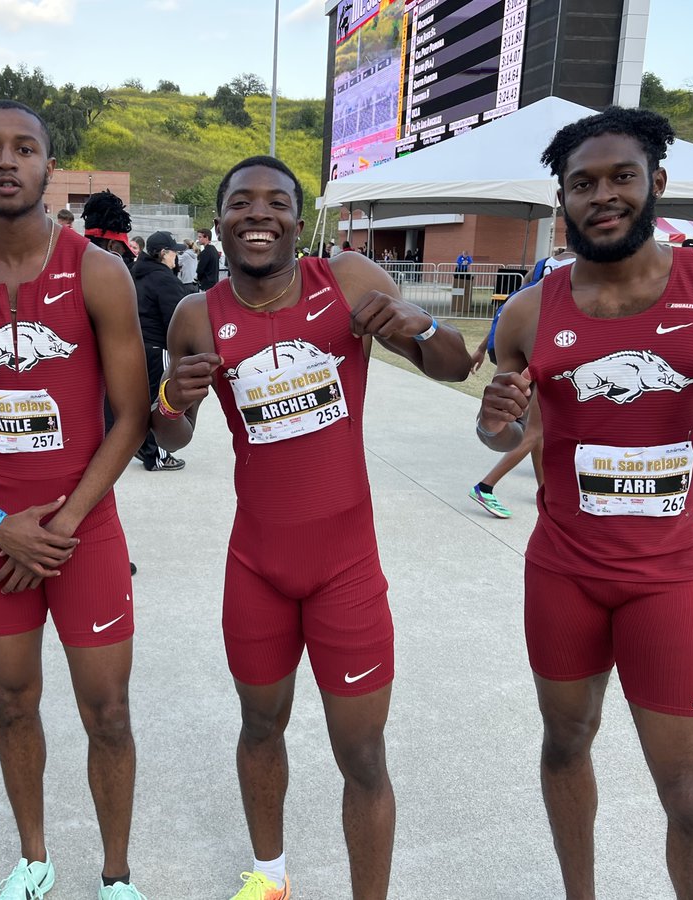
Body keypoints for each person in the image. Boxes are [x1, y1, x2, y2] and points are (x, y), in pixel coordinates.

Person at [478, 106, 693, 899]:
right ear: (563, 200)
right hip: (563, 574)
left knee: (689, 797)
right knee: (565, 745)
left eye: (621, 177)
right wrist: (492, 421)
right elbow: (497, 430)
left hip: (667, 581)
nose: (603, 196)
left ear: (657, 184)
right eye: (583, 184)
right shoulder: (526, 312)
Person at [153, 156, 473, 899]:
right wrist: (172, 399)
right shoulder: (196, 315)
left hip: (346, 571)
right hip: (257, 568)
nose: (257, 214)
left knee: (361, 755)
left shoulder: (350, 283)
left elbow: (455, 368)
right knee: (260, 727)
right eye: (240, 202)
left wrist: (417, 323)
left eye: (275, 202)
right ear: (221, 218)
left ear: (299, 220)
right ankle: (270, 877)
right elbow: (171, 438)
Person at [0, 99, 150, 900]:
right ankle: (36, 858)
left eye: (24, 148)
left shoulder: (96, 270)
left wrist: (62, 523)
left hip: (83, 531)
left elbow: (131, 416)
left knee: (107, 711)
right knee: (12, 701)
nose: (6, 161)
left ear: (50, 166)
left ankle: (115, 874)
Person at [467, 250, 576, 519]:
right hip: (549, 352)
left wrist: (483, 347)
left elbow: (511, 309)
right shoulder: (584, 270)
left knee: (537, 431)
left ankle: (546, 492)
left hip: (527, 348)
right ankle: (486, 486)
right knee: (535, 432)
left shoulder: (540, 268)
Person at [133, 229, 190, 471]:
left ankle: (143, 445)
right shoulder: (164, 279)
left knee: (142, 400)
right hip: (159, 346)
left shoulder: (136, 274)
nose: (176, 257)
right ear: (164, 253)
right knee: (162, 401)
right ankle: (158, 455)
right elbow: (177, 318)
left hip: (139, 346)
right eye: (174, 253)